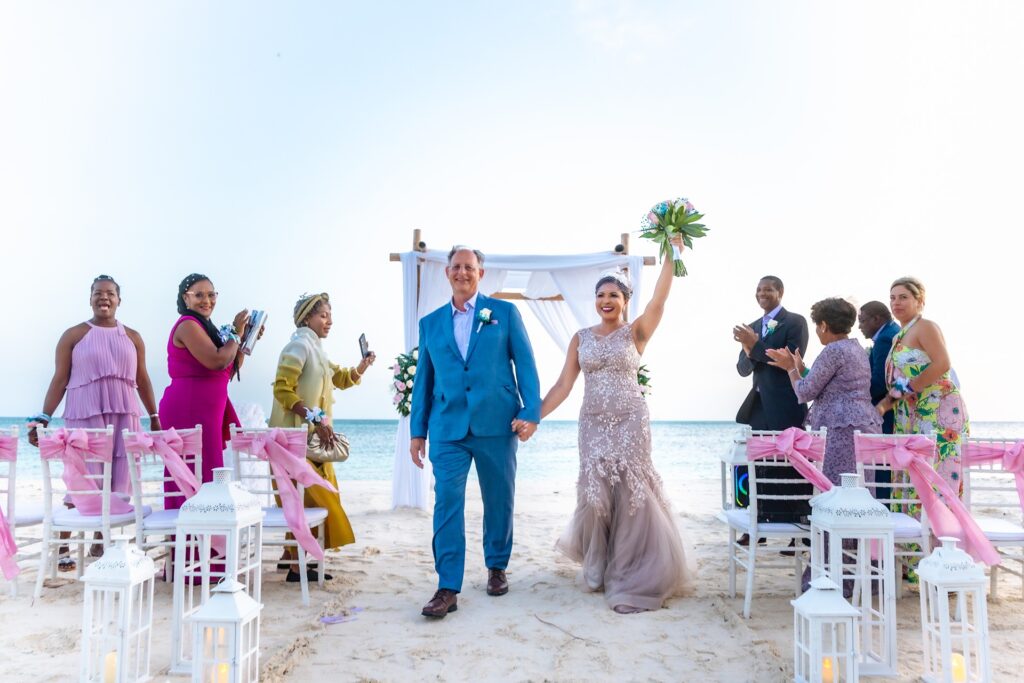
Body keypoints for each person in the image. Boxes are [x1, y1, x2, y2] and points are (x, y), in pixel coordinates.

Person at [539, 235, 696, 613]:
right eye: (600, 295)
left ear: (625, 301)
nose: (606, 301)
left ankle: (628, 570)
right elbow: (563, 384)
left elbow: (660, 297)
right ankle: (596, 564)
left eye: (614, 295)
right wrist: (533, 416)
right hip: (592, 421)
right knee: (595, 493)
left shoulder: (636, 332)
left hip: (630, 419)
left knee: (630, 494)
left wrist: (672, 253)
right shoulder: (580, 339)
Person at [409, 246, 541, 619]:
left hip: (497, 423)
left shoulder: (504, 313)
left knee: (498, 498)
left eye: (469, 267)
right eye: (456, 267)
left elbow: (526, 364)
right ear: (447, 273)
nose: (462, 272)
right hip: (447, 426)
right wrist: (418, 431)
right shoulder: (431, 323)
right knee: (447, 501)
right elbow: (423, 381)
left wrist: (530, 412)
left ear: (481, 273)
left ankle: (496, 565)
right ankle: (447, 587)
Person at [28, 275, 161, 570]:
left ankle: (100, 543)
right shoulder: (74, 335)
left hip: (124, 414)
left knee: (119, 480)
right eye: (98, 293)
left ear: (118, 300)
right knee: (84, 478)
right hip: (85, 413)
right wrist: (44, 417)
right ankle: (63, 543)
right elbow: (59, 379)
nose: (104, 298)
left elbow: (142, 379)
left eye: (110, 293)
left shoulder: (134, 337)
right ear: (89, 298)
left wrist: (154, 416)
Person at [269, 292, 375, 583]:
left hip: (310, 442)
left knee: (305, 499)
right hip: (292, 442)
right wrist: (315, 418)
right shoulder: (299, 345)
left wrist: (362, 366)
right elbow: (282, 389)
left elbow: (340, 378)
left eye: (330, 315)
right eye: (323, 315)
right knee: (313, 501)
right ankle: (297, 566)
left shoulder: (316, 350)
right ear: (306, 318)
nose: (329, 321)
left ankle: (293, 559)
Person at [767, 298, 881, 484]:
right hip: (861, 425)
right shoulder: (855, 348)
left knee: (836, 489)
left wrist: (790, 368)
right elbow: (834, 384)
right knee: (860, 491)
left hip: (840, 429)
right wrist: (802, 369)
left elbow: (804, 393)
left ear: (824, 325)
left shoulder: (832, 351)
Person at [158, 273, 248, 508]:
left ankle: (207, 539)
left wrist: (246, 341)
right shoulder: (188, 325)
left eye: (211, 294)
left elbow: (225, 370)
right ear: (185, 299)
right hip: (189, 407)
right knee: (194, 474)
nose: (206, 300)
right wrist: (236, 332)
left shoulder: (208, 328)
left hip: (208, 410)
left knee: (209, 472)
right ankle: (189, 540)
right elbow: (217, 361)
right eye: (199, 295)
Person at [732, 276, 811, 538]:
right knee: (760, 465)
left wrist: (754, 345)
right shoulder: (752, 327)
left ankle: (797, 526)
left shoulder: (795, 321)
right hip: (759, 406)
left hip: (787, 402)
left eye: (767, 289)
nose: (761, 293)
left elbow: (787, 359)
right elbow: (742, 369)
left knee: (792, 463)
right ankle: (759, 522)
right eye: (758, 289)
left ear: (780, 292)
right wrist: (748, 348)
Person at [877, 277, 969, 495]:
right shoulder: (898, 336)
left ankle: (937, 528)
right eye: (892, 298)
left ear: (919, 301)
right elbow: (904, 376)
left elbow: (943, 363)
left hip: (937, 410)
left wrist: (904, 392)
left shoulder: (925, 327)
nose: (896, 303)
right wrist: (886, 403)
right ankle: (913, 525)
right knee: (911, 470)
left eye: (903, 297)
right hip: (909, 412)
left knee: (935, 469)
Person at [857, 301, 900, 435]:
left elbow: (880, 382)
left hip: (886, 412)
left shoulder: (884, 339)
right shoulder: (894, 330)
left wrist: (854, 396)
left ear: (876, 319)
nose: (859, 326)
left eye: (862, 321)